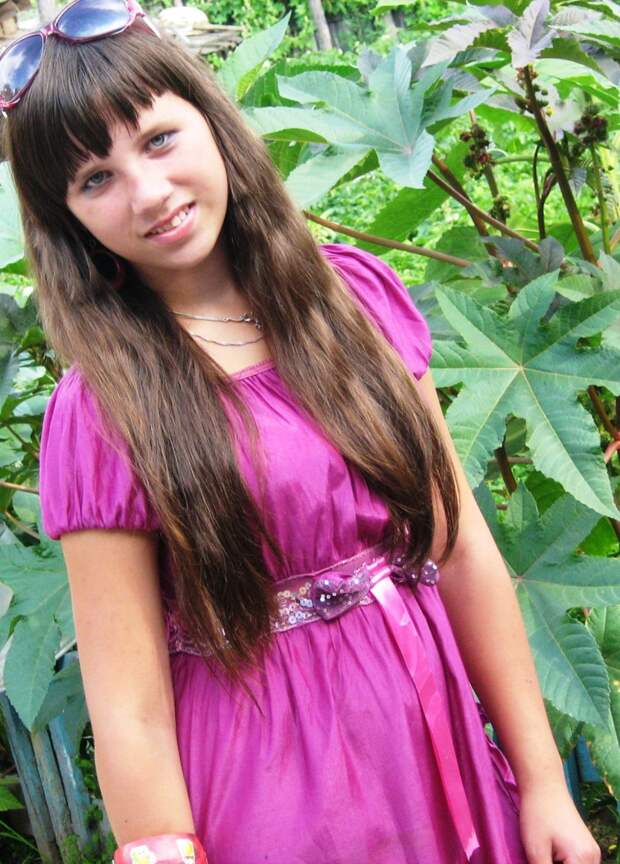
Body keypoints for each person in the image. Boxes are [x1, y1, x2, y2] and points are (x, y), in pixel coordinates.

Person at [0, 2, 601, 862]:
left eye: (159, 139)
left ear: (211, 119)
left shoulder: (356, 301)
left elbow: (461, 546)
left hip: (437, 752)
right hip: (273, 802)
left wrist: (543, 782)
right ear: (67, 218)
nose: (149, 194)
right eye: (95, 179)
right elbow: (129, 704)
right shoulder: (102, 411)